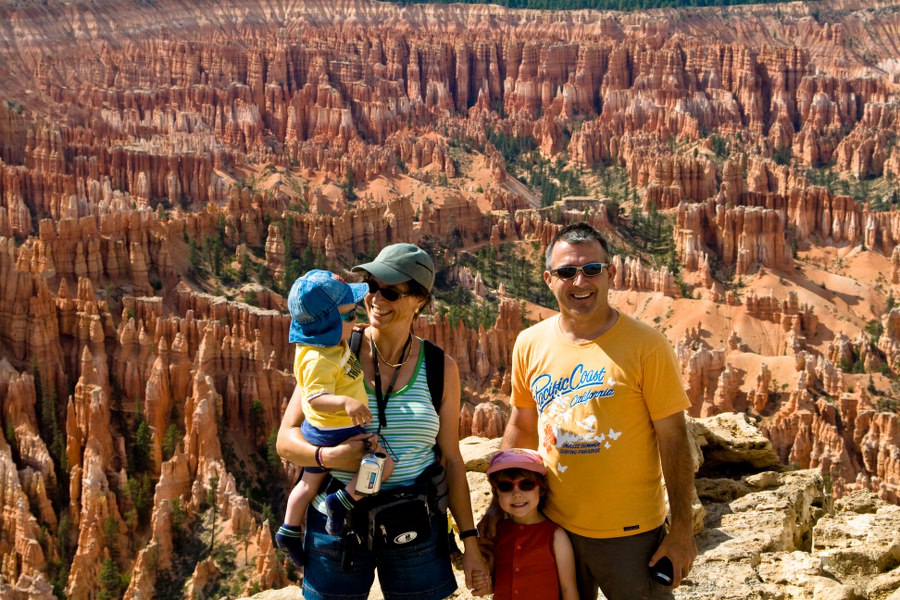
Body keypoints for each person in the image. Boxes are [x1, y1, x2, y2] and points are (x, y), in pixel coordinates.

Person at [485, 222, 697, 600]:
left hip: (631, 536)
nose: (580, 281)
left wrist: (682, 530)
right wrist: (497, 504)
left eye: (591, 269)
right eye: (567, 272)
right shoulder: (529, 343)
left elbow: (673, 438)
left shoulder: (647, 346)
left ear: (611, 273)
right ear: (549, 279)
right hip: (550, 525)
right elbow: (522, 423)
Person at [277, 243, 491, 600]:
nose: (376, 298)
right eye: (371, 286)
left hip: (415, 530)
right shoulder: (334, 349)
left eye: (390, 291)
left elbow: (452, 459)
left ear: (419, 301)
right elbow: (285, 440)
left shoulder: (440, 368)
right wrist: (326, 458)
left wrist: (470, 543)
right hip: (338, 526)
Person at [274, 269, 390, 568]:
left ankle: (288, 529)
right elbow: (314, 398)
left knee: (307, 484)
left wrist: (350, 326)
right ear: (328, 325)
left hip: (328, 429)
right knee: (382, 463)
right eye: (349, 315)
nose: (355, 319)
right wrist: (346, 402)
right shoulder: (316, 359)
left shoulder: (327, 345)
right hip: (334, 431)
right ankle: (342, 501)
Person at [480, 448, 577, 600]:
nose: (517, 494)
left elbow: (568, 588)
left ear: (542, 489)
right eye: (506, 486)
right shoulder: (497, 532)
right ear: (496, 492)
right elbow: (494, 586)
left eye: (526, 484)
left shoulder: (555, 536)